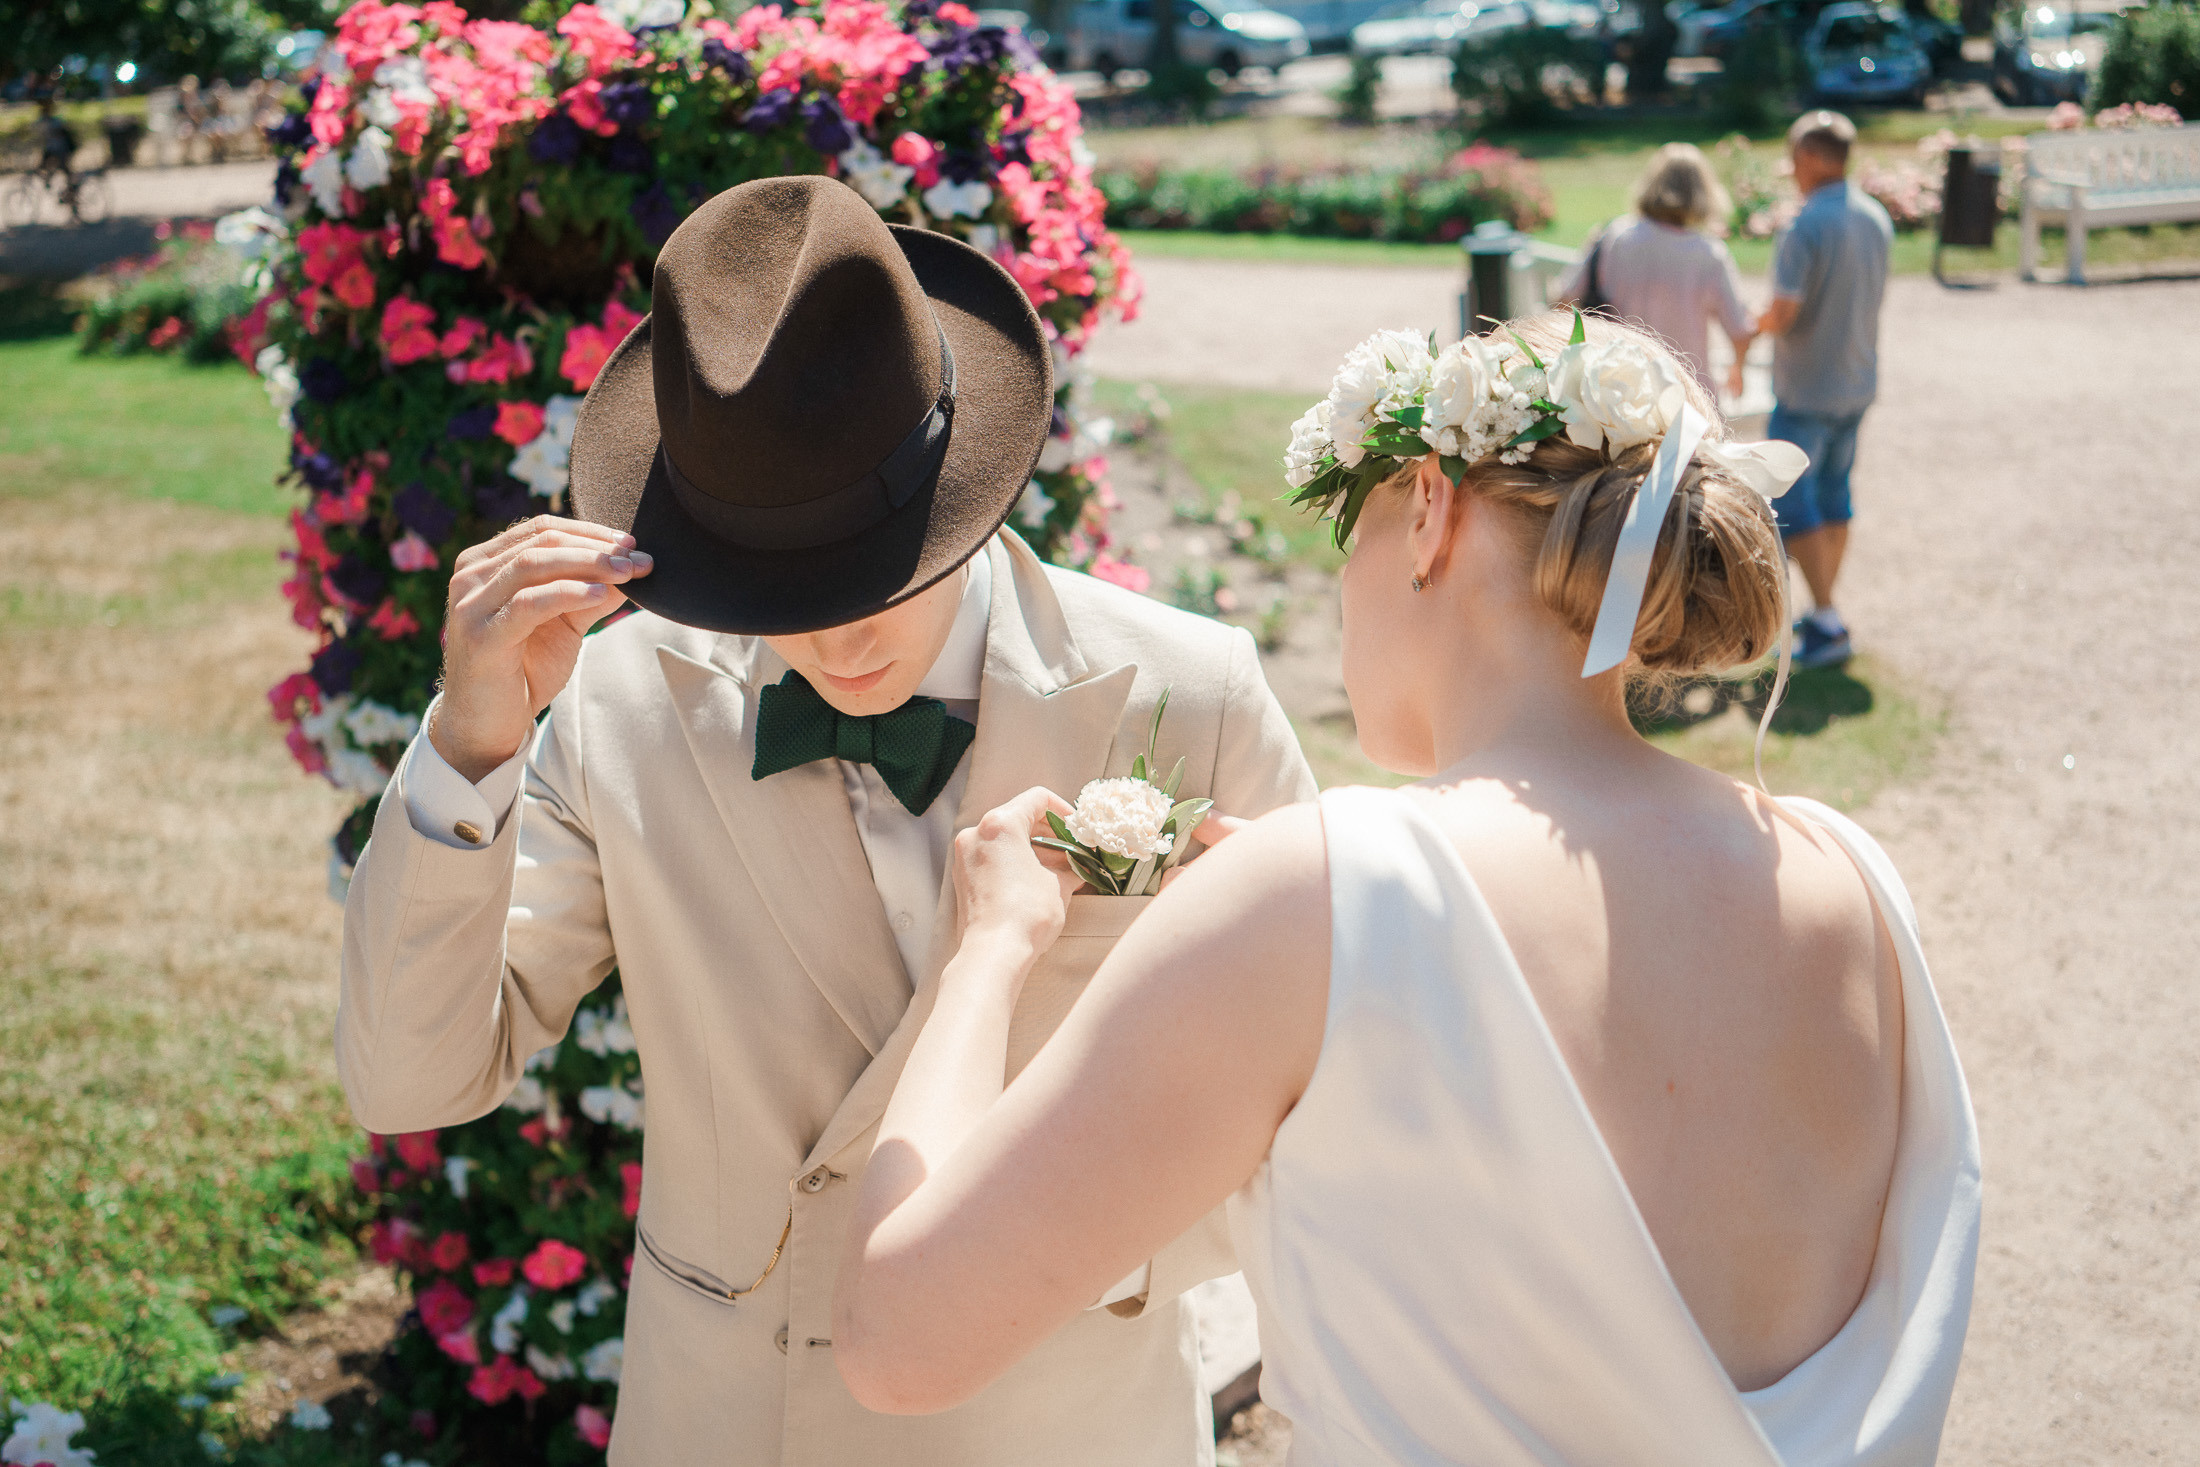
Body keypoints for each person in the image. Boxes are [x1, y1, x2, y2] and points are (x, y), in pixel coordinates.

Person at [834, 314, 1980, 1466]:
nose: (1341, 599)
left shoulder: (1319, 895)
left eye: (1352, 534)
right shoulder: (1852, 881)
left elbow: (899, 1342)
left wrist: (987, 949)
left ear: (1428, 509)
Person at [335, 177, 1316, 1465]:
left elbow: (1316, 1099)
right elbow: (412, 1077)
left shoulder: (1191, 691)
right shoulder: (616, 704)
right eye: (770, 582)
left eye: (867, 567)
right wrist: (471, 747)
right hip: (737, 1422)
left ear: (961, 471)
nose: (836, 630)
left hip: (1075, 1413)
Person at [1755, 110, 1892, 671]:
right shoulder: (1875, 216)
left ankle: (1828, 616)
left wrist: (1752, 323)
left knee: (1788, 499)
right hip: (1857, 379)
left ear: (1810, 158)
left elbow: (1785, 312)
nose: (1791, 171)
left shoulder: (1806, 225)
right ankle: (1823, 615)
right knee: (1836, 494)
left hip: (1808, 387)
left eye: (1793, 159)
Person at [1554, 142, 1756, 403]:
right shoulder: (1709, 254)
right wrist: (1737, 368)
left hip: (1618, 391)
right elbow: (1739, 330)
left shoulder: (1613, 237)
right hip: (1687, 394)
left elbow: (1565, 299)